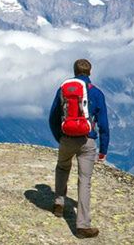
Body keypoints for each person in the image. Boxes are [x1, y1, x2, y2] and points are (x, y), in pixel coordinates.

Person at [48, 58, 109, 239]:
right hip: (86, 142)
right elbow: (104, 125)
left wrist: (60, 137)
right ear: (90, 72)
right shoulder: (97, 93)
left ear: (74, 71)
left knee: (62, 166)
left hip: (66, 138)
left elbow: (53, 117)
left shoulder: (63, 90)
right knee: (84, 181)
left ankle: (59, 202)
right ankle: (82, 226)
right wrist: (103, 151)